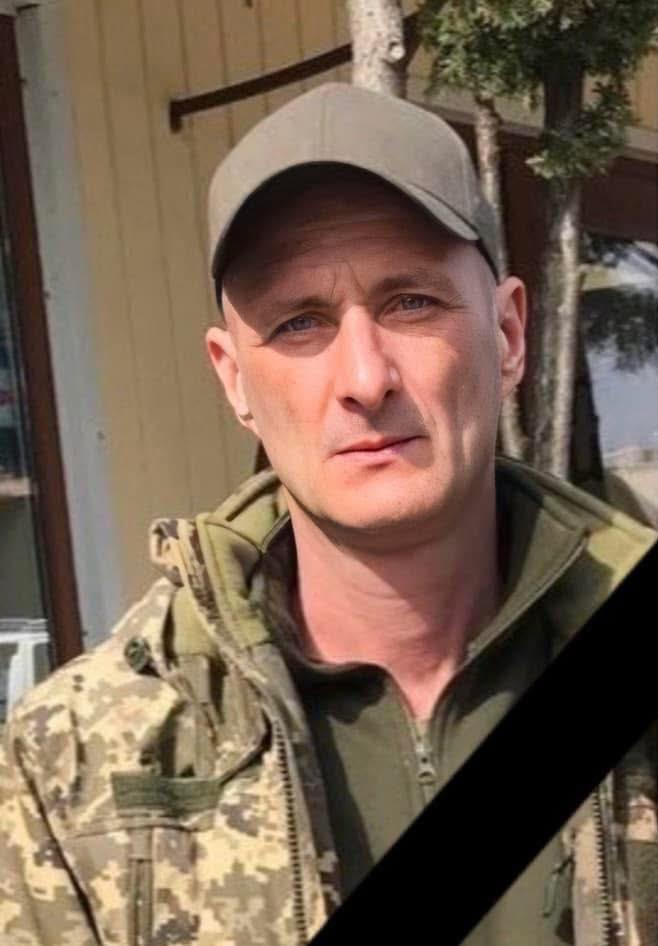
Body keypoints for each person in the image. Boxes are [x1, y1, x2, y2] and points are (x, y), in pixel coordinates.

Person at [0, 82, 656, 946]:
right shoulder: (76, 761)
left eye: (410, 302)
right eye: (299, 323)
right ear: (233, 378)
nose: (365, 379)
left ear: (506, 335)